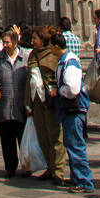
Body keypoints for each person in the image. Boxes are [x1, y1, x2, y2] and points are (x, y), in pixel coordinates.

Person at [51, 31, 94, 193]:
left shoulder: (70, 62)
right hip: (69, 110)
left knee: (76, 145)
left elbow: (72, 88)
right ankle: (77, 177)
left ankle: (84, 181)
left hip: (74, 110)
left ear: (56, 47)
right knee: (71, 143)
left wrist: (59, 91)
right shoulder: (64, 61)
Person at [25, 25, 67, 184]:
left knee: (55, 135)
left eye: (35, 38)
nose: (32, 41)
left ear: (43, 40)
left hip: (50, 101)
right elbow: (28, 82)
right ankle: (50, 167)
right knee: (42, 135)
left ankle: (59, 170)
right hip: (36, 101)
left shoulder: (52, 55)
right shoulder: (32, 55)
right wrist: (27, 103)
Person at [0, 28, 29, 178]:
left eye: (7, 42)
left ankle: (27, 165)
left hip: (21, 104)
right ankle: (10, 167)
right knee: (7, 140)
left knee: (24, 138)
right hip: (5, 104)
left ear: (15, 42)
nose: (4, 45)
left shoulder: (26, 56)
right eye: (3, 42)